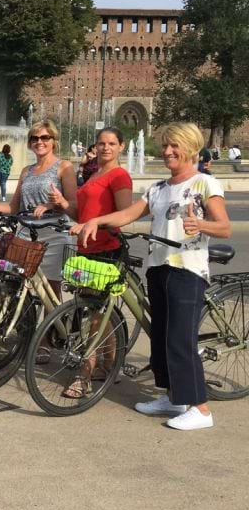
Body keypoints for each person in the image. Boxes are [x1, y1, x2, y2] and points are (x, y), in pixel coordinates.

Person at [73, 122, 231, 430]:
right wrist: (96, 221)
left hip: (187, 269)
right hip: (158, 268)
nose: (168, 151)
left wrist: (201, 225)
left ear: (191, 149)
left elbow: (224, 226)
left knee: (179, 339)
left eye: (175, 146)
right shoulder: (158, 187)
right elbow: (129, 214)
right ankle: (174, 397)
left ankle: (200, 409)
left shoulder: (204, 184)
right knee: (159, 336)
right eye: (166, 145)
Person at [59, 127, 133, 399]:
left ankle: (85, 376)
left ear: (121, 147)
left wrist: (97, 225)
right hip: (86, 250)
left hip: (105, 251)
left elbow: (124, 215)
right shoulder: (94, 175)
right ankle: (109, 366)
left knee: (93, 317)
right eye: (101, 143)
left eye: (112, 143)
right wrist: (62, 205)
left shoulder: (119, 175)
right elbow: (81, 213)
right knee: (98, 314)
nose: (105, 147)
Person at [0, 120, 77, 317]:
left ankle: (51, 336)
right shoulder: (26, 171)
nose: (39, 142)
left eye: (45, 137)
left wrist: (52, 204)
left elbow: (73, 204)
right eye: (35, 138)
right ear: (30, 143)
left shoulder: (64, 167)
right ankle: (23, 328)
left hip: (53, 233)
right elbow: (14, 207)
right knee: (16, 280)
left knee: (50, 287)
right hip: (25, 233)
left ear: (53, 141)